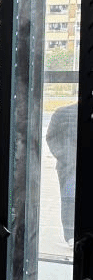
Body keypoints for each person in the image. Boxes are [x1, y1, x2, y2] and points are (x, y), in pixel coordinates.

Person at [46, 101, 78, 245]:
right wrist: (66, 157)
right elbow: (51, 137)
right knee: (69, 199)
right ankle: (71, 235)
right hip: (70, 169)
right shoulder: (62, 113)